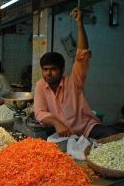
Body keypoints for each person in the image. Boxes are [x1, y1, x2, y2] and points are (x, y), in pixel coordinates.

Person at [34, 8, 119, 140]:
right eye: (45, 69)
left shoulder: (74, 80)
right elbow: (39, 112)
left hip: (86, 128)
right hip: (63, 133)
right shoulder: (40, 85)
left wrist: (79, 24)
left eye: (53, 69)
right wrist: (56, 123)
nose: (48, 74)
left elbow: (82, 55)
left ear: (62, 70)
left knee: (114, 136)